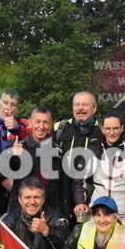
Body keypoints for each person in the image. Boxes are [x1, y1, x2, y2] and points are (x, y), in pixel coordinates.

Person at [82, 112, 125, 233]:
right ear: (102, 129)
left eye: (115, 128)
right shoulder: (92, 150)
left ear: (122, 128)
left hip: (124, 214)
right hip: (97, 213)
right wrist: (80, 201)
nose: (111, 132)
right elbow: (79, 180)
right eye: (108, 128)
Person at [54, 91, 103, 221]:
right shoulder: (60, 128)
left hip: (90, 195)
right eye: (77, 104)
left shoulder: (103, 130)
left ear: (94, 108)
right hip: (61, 193)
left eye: (85, 105)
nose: (80, 108)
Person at [5, 106, 64, 214]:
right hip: (20, 210)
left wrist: (63, 212)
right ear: (30, 123)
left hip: (49, 209)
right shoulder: (17, 146)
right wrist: (11, 155)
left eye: (45, 122)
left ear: (50, 125)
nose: (41, 126)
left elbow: (63, 184)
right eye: (37, 122)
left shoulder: (58, 150)